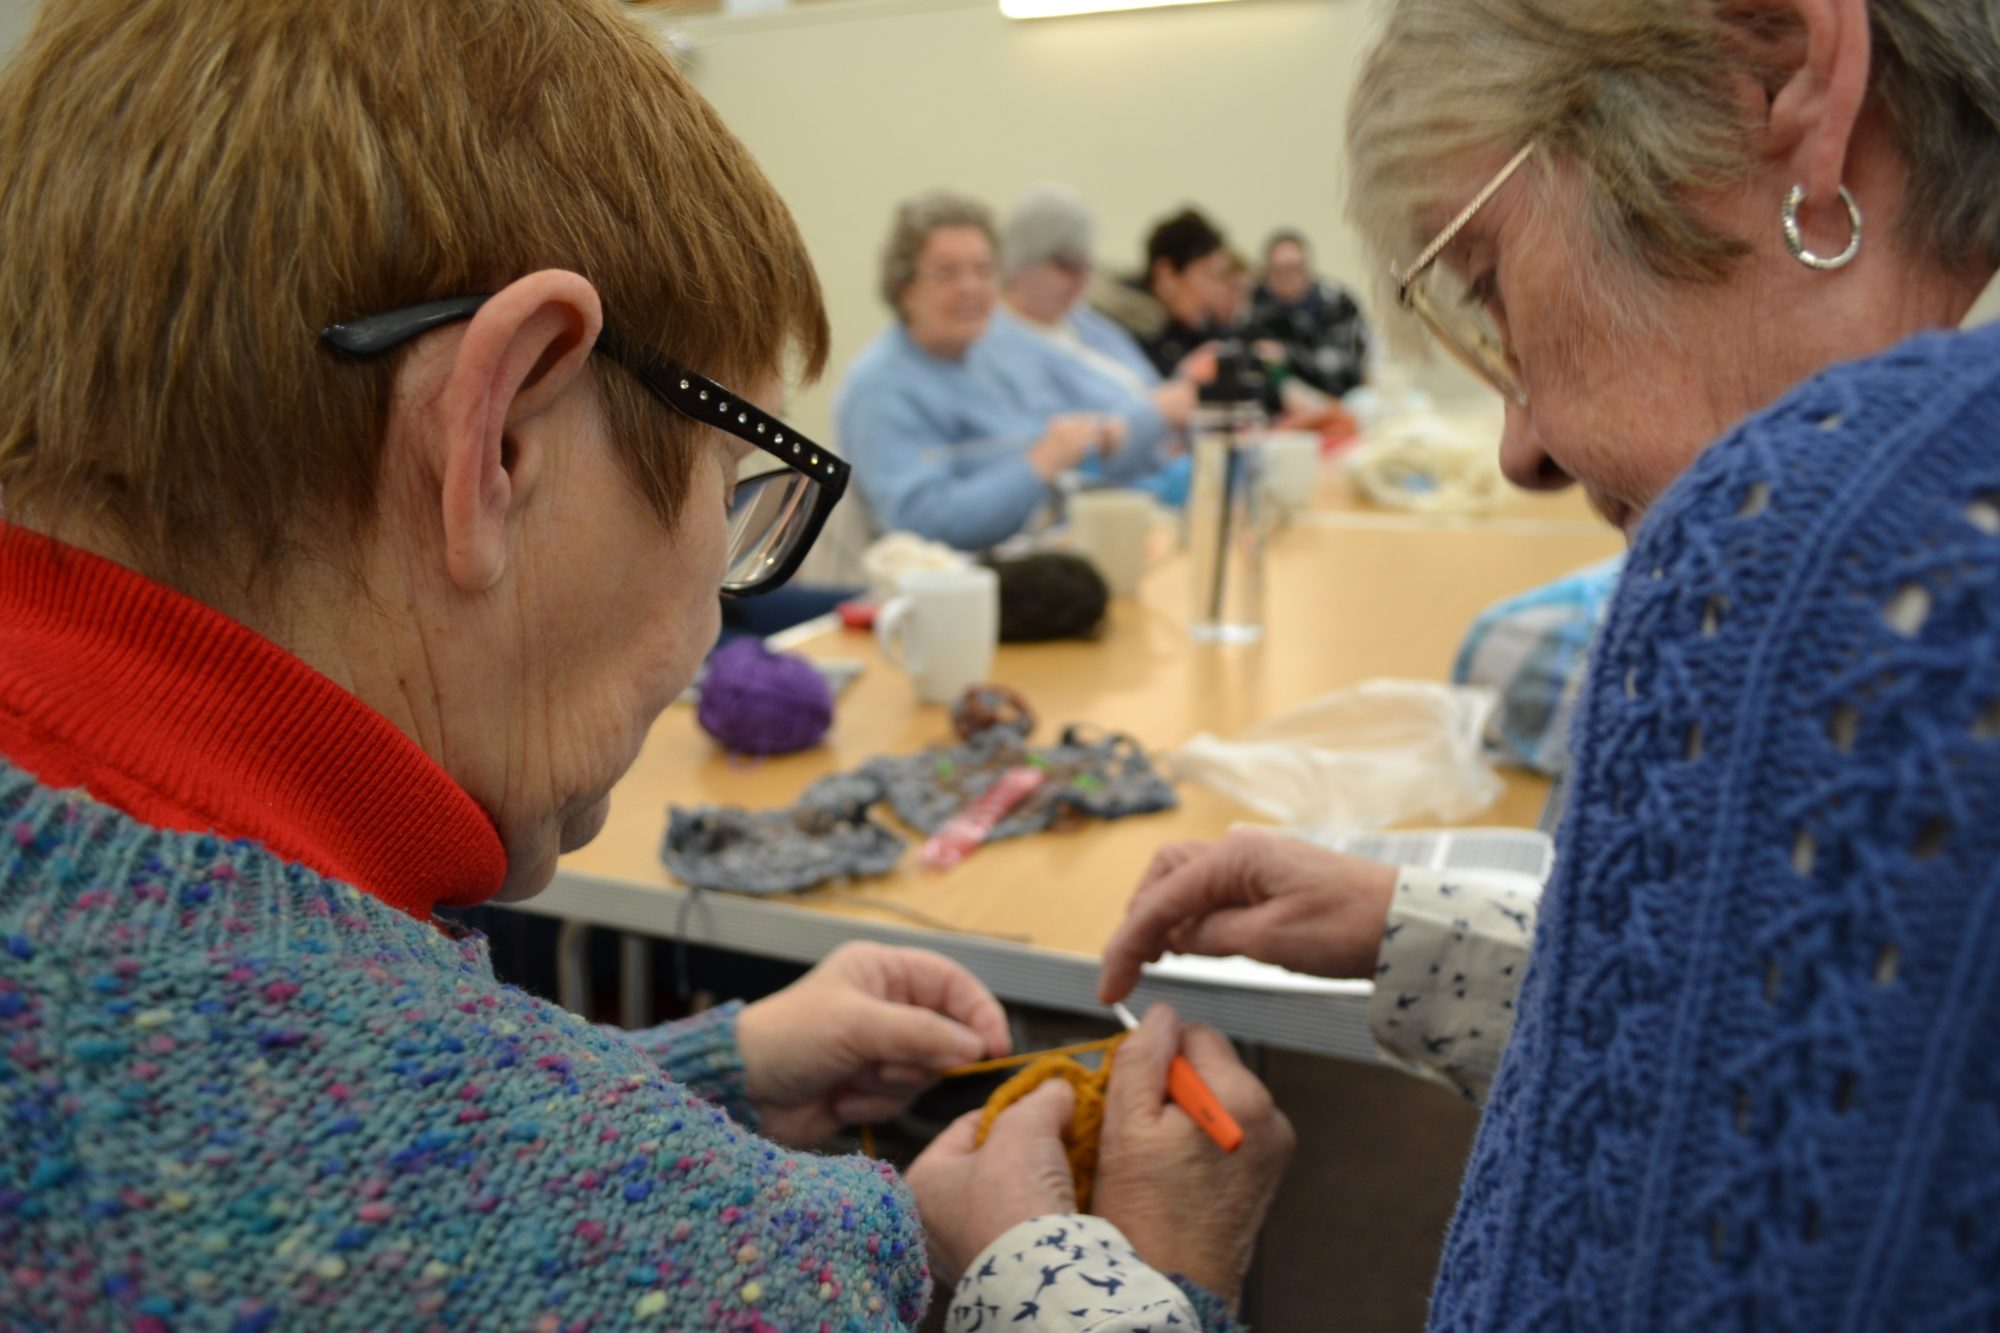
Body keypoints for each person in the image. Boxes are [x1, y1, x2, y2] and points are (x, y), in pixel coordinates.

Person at [0, 3, 1287, 1327]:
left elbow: (289, 1120)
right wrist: (1140, 1278)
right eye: (731, 488)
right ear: (497, 439)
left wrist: (701, 1076)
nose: (701, 616)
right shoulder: (733, 1260)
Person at [1103, 0, 2000, 1324]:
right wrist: (1429, 929)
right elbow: (1840, 1043)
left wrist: (1103, 1282)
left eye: (1491, 289)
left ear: (1781, 68)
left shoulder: (1823, 572)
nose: (1520, 443)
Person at [835, 194, 1180, 550]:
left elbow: (1057, 459)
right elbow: (923, 524)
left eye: (983, 270)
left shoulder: (985, 355)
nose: (970, 287)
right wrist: (1039, 464)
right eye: (946, 273)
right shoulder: (881, 387)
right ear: (903, 288)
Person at [989, 185, 1199, 505]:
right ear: (1020, 262)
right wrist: (1155, 416)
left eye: (1086, 267)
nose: (1080, 281)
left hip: (1166, 478)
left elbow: (1152, 391)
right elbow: (1066, 451)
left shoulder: (1085, 322)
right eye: (1065, 266)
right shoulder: (999, 345)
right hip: (1112, 504)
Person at [1092, 207, 1237, 381]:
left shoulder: (1191, 330)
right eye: (1209, 276)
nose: (1217, 292)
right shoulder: (1120, 332)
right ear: (1166, 275)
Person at [1247, 230, 1371, 399]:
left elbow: (1348, 369)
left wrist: (1289, 357)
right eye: (1278, 270)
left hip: (1343, 400)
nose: (1287, 277)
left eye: (1294, 268)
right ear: (1266, 272)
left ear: (1307, 269)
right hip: (1279, 407)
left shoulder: (1336, 302)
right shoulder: (1252, 306)